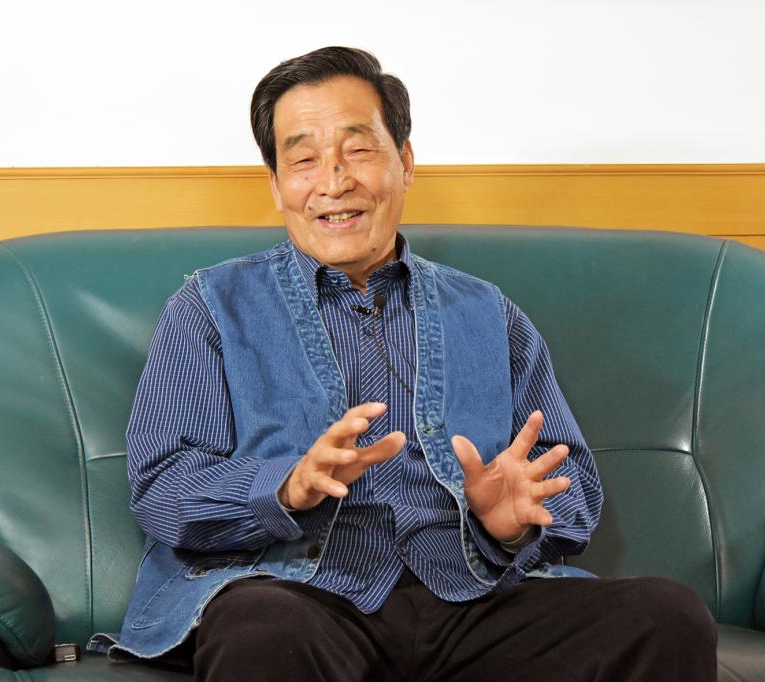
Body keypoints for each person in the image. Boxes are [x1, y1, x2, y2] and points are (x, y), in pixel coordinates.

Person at [111, 46, 717, 681]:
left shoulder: (490, 314)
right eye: (304, 159)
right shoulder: (211, 308)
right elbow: (162, 490)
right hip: (300, 598)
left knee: (665, 616)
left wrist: (508, 528)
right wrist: (285, 487)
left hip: (473, 597)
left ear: (404, 162)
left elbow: (572, 487)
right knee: (260, 628)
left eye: (358, 150)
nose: (333, 182)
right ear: (277, 184)